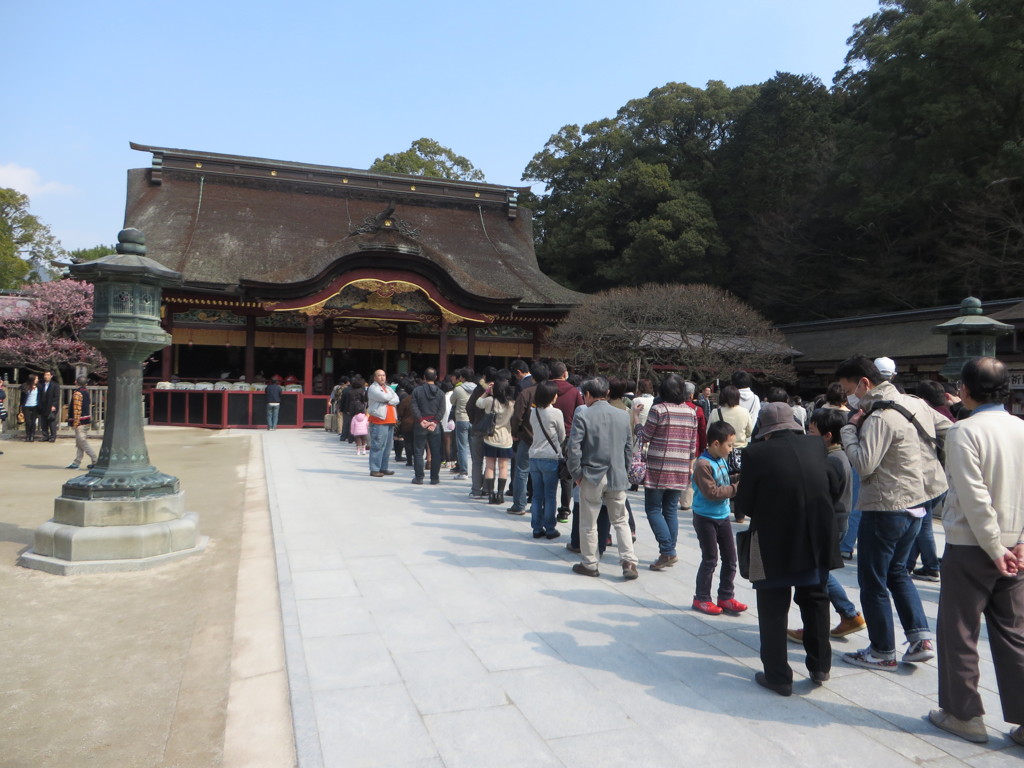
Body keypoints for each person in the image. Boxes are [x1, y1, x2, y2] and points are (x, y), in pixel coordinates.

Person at [928, 358, 1024, 746]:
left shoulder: (963, 431)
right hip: (1018, 546)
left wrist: (993, 545)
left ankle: (964, 714)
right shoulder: (1021, 428)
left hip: (973, 545)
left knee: (960, 631)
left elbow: (972, 496)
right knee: (1015, 633)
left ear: (965, 389)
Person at [836, 355, 951, 670]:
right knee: (898, 571)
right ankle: (919, 639)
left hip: (887, 505)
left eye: (849, 389)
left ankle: (882, 650)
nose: (849, 398)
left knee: (872, 580)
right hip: (919, 501)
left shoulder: (878, 418)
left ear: (865, 383)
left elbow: (863, 463)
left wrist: (849, 429)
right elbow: (950, 431)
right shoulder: (915, 403)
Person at [736, 402, 839, 696]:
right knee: (816, 599)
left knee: (772, 606)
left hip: (773, 539)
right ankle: (821, 666)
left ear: (765, 431)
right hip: (817, 535)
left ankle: (778, 676)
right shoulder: (816, 445)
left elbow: (743, 505)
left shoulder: (754, 453)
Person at [788, 408, 866, 642]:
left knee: (816, 574)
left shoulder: (832, 460)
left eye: (812, 431)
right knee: (819, 572)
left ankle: (843, 615)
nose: (808, 435)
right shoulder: (838, 456)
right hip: (835, 521)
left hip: (830, 523)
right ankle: (848, 614)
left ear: (827, 436)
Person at [566, 376, 639, 581]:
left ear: (587, 395)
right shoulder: (623, 415)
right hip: (616, 475)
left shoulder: (584, 415)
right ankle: (629, 561)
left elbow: (574, 448)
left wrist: (576, 474)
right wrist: (623, 471)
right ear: (607, 393)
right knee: (621, 521)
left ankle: (590, 563)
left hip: (592, 475)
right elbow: (628, 448)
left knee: (589, 522)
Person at [639, 374, 698, 572]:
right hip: (681, 465)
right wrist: (689, 465)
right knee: (670, 509)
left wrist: (635, 421)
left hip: (659, 466)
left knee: (653, 508)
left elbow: (645, 436)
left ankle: (667, 550)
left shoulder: (659, 410)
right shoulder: (691, 412)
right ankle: (668, 551)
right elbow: (692, 444)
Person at [691, 421, 746, 615]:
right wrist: (737, 487)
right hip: (705, 517)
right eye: (729, 445)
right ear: (715, 443)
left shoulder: (720, 459)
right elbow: (712, 492)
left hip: (722, 516)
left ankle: (725, 595)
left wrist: (739, 478)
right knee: (710, 559)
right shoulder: (703, 465)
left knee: (730, 558)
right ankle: (701, 598)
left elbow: (724, 481)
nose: (731, 450)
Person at [528, 380, 566, 539]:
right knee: (550, 495)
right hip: (550, 456)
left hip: (534, 456)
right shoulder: (556, 413)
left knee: (537, 495)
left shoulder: (533, 412)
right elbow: (562, 435)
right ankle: (550, 528)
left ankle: (536, 528)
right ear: (551, 396)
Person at [509, 361, 548, 514]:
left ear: (533, 377)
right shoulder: (552, 392)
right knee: (543, 474)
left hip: (527, 436)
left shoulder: (527, 392)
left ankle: (519, 505)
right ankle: (539, 506)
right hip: (546, 439)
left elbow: (517, 415)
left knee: (522, 471)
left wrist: (515, 432)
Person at [551, 361, 584, 522]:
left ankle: (545, 507)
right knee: (567, 475)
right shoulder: (574, 392)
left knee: (547, 473)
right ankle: (565, 510)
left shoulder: (545, 389)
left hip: (548, 436)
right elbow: (581, 413)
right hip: (569, 436)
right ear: (565, 374)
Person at [477, 374, 515, 503]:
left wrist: (486, 392)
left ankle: (491, 494)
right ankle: (500, 495)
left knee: (490, 467)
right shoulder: (511, 404)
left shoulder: (490, 401)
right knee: (503, 467)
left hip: (490, 438)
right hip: (505, 439)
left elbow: (478, 403)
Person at [411, 368, 446, 485]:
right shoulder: (441, 393)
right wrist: (435, 421)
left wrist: (421, 420)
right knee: (436, 452)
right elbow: (442, 410)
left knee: (418, 451)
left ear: (424, 377)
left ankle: (419, 477)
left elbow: (414, 407)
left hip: (421, 424)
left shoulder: (417, 391)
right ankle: (434, 478)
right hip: (434, 425)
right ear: (436, 377)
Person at [65, 376, 97, 470]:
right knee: (79, 442)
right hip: (85, 419)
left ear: (76, 382)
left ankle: (95, 459)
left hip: (80, 421)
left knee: (82, 441)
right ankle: (77, 462)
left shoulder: (78, 393)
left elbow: (77, 409)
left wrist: (75, 421)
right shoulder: (86, 392)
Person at [450, 368, 476, 480]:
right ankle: (476, 471)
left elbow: (452, 401)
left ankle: (463, 472)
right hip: (474, 419)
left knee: (462, 447)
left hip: (461, 418)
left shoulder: (458, 389)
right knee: (474, 447)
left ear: (463, 378)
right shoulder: (477, 388)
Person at [38, 370, 61, 442]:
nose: (46, 376)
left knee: (52, 421)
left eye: (48, 375)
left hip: (51, 405)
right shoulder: (41, 384)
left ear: (51, 376)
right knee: (43, 422)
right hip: (43, 405)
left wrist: (54, 405)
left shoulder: (55, 385)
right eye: (45, 375)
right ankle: (45, 436)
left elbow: (56, 397)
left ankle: (53, 436)